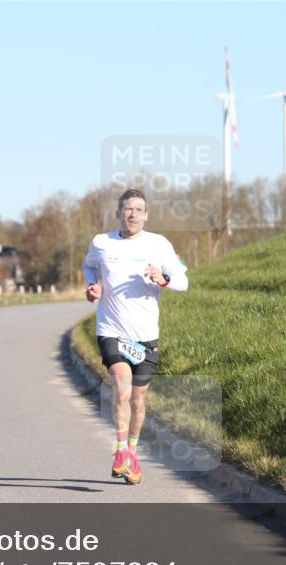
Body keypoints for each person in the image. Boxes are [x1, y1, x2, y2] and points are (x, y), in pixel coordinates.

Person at [82, 189, 188, 484]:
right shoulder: (102, 243)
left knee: (139, 401)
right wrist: (92, 286)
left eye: (139, 209)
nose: (133, 214)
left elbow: (183, 280)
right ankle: (119, 451)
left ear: (146, 215)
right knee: (123, 389)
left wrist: (164, 279)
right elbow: (89, 265)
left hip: (145, 335)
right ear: (118, 213)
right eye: (128, 209)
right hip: (112, 330)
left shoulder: (159, 244)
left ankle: (131, 450)